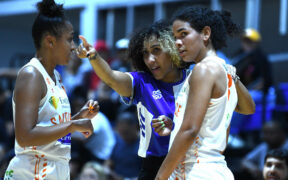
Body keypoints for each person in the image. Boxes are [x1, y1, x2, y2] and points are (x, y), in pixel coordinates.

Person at [77, 20, 191, 180]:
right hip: (154, 167)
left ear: (172, 48)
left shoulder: (194, 79)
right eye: (145, 53)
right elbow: (110, 77)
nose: (150, 59)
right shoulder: (142, 81)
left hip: (191, 163)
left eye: (156, 50)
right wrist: (93, 56)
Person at [154, 6, 255, 180]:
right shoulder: (224, 70)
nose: (177, 42)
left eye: (183, 34)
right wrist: (176, 124)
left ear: (206, 33)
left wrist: (160, 177)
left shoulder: (203, 69)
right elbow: (249, 108)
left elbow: (190, 130)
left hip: (196, 171)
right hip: (215, 170)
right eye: (175, 38)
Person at [4, 0, 99, 179]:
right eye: (70, 39)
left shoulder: (55, 76)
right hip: (32, 170)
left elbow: (51, 127)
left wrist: (79, 117)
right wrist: (73, 124)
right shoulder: (32, 74)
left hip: (55, 167)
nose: (73, 47)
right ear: (50, 41)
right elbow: (25, 136)